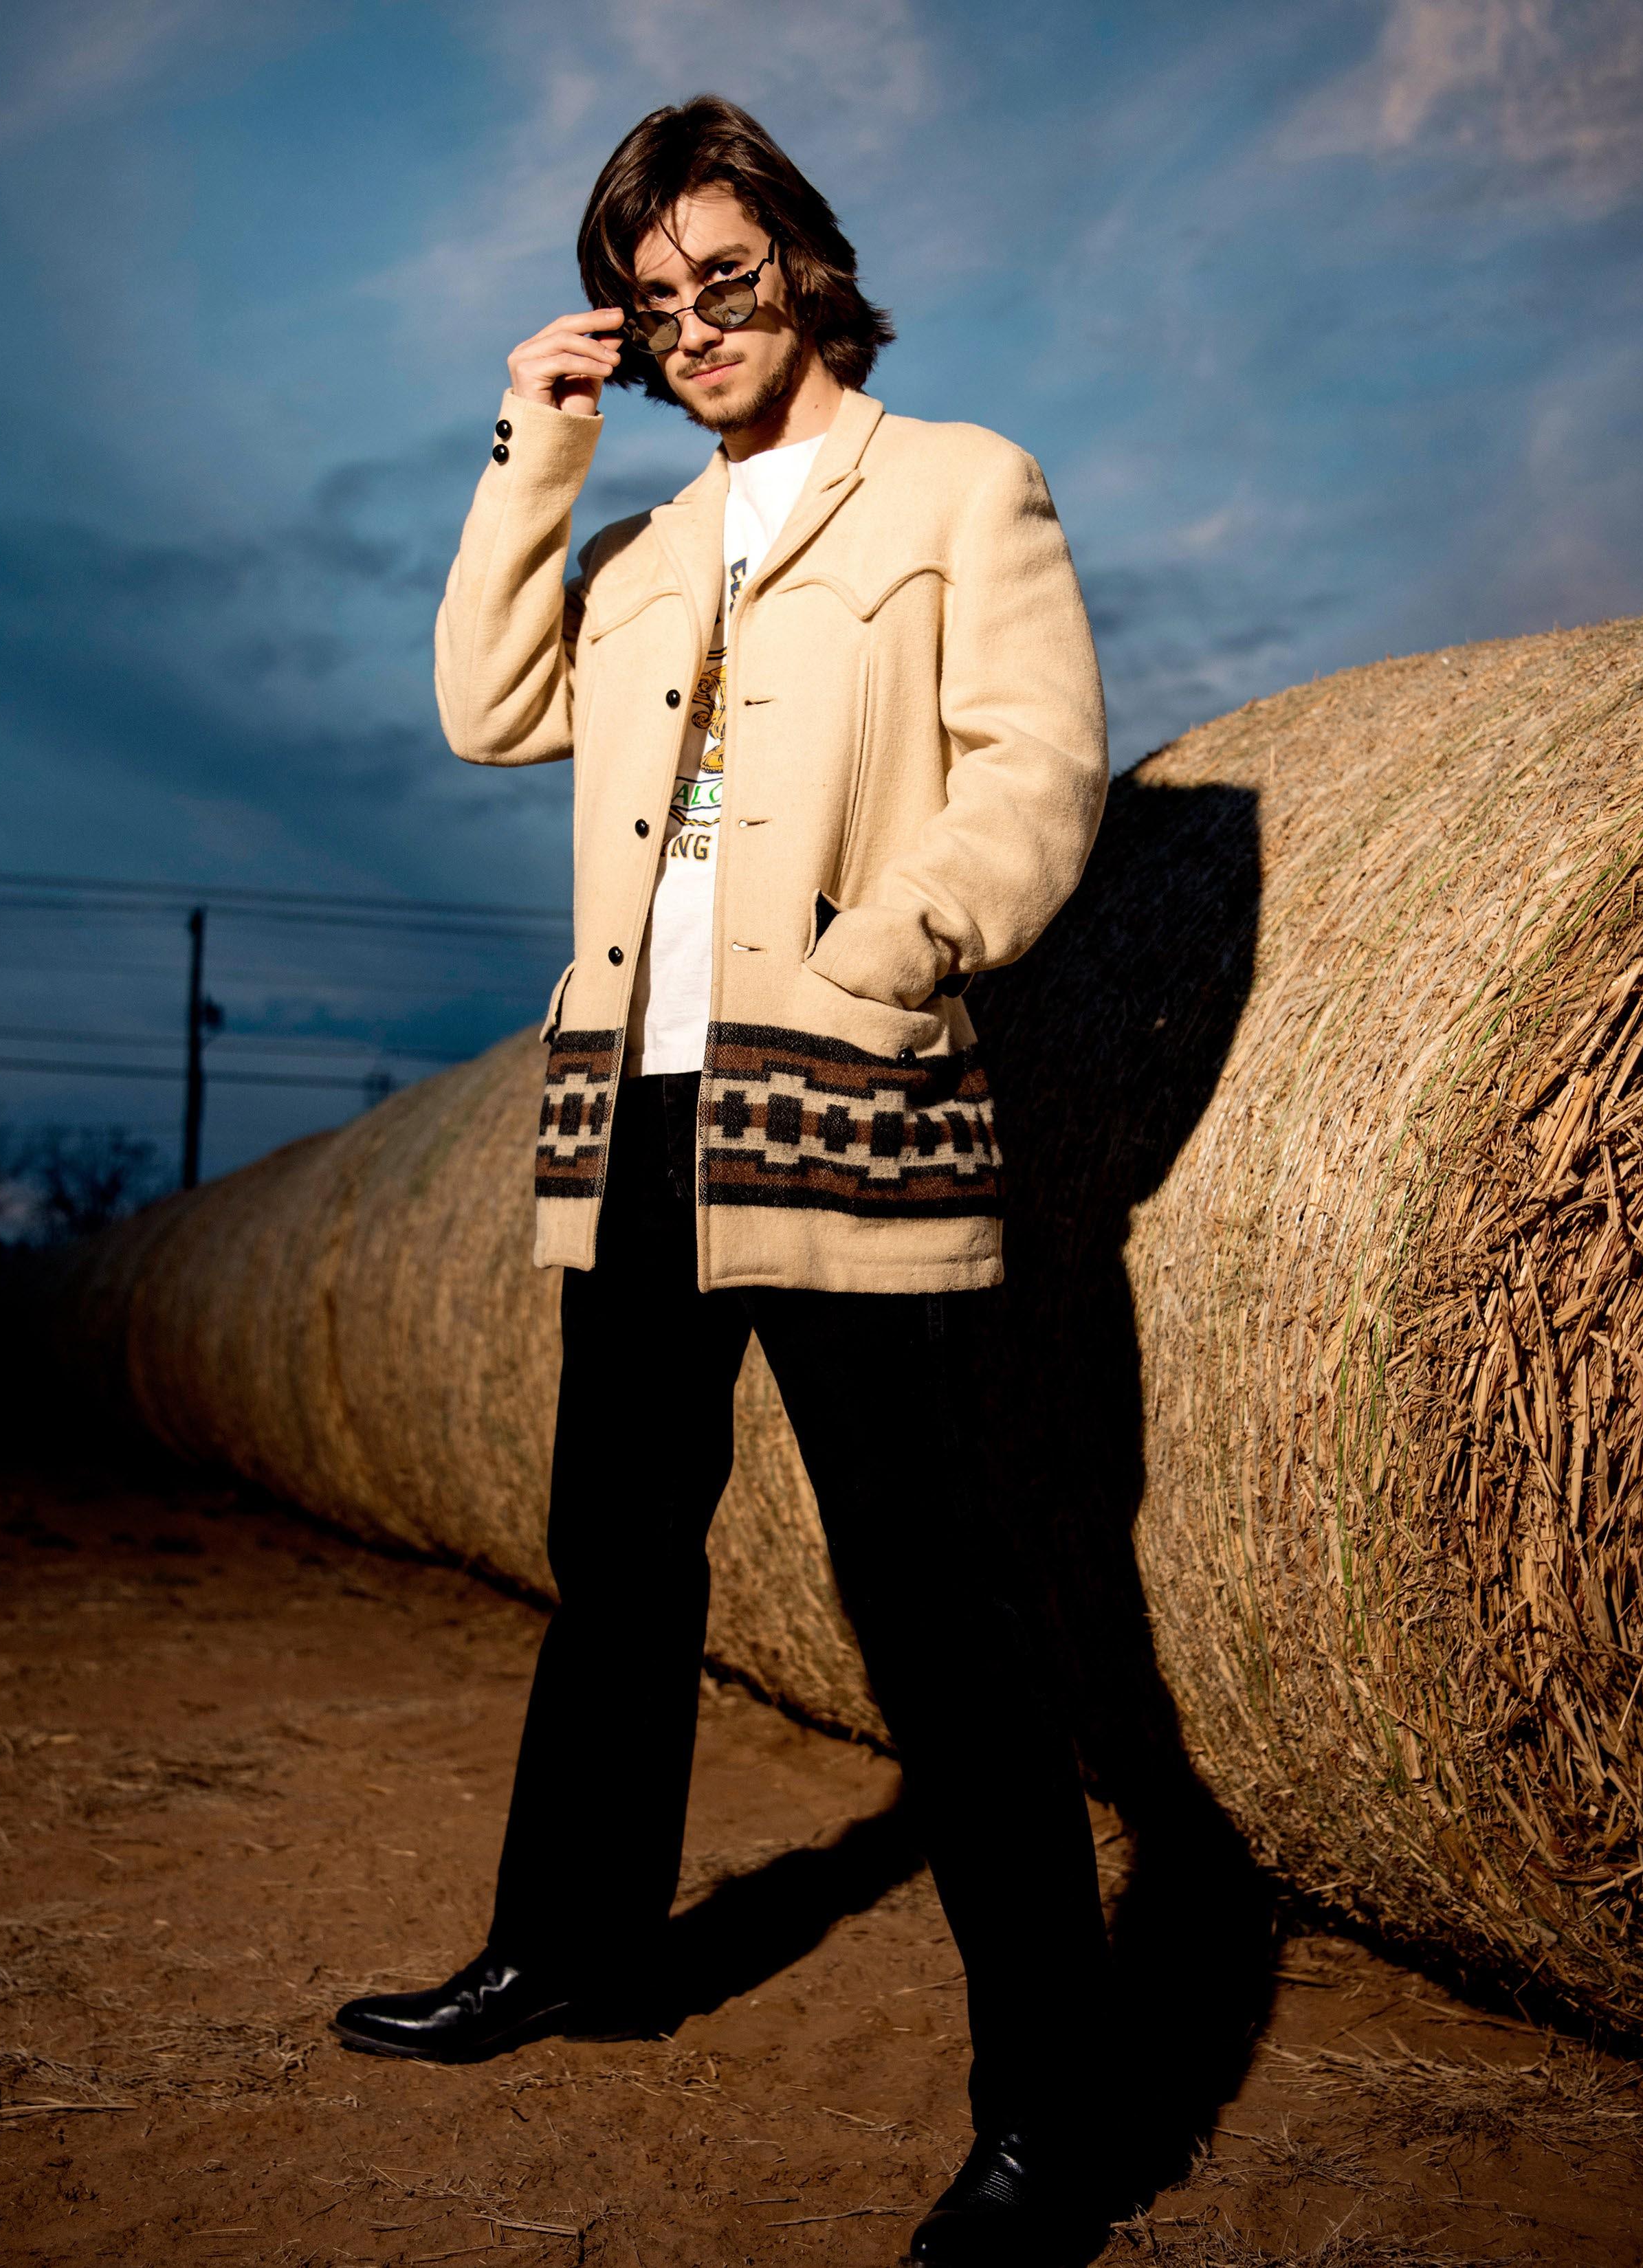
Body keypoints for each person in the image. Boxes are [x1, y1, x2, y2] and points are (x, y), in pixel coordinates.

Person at [332, 94, 1123, 2267]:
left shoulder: (959, 484)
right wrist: (538, 438)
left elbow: (1037, 769)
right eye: (649, 298)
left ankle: (1053, 2111)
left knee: (936, 1609)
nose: (692, 323)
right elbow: (486, 702)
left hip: (844, 1092)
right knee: (616, 1561)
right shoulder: (648, 550)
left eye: (723, 277)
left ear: (808, 260)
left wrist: (895, 949)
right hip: (635, 1113)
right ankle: (567, 1946)